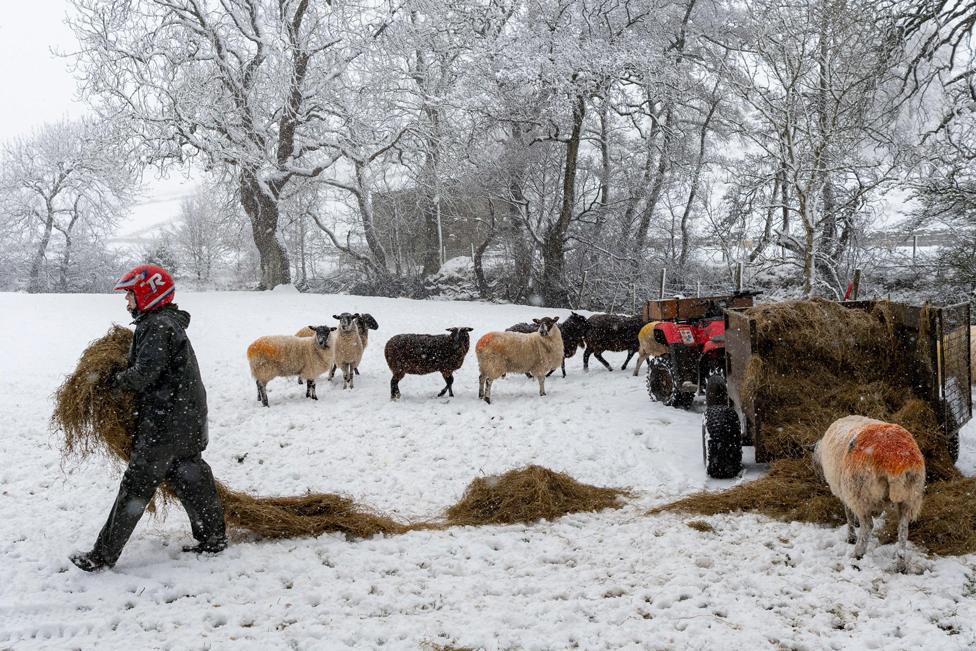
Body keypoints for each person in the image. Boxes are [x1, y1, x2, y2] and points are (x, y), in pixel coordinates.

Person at [70, 264, 226, 572]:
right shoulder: (170, 324)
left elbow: (144, 374)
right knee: (191, 474)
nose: (126, 301)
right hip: (190, 418)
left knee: (135, 487)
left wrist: (111, 381)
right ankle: (213, 537)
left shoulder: (154, 326)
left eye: (129, 295)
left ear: (147, 295)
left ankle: (102, 555)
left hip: (164, 423)